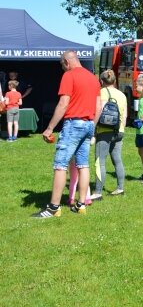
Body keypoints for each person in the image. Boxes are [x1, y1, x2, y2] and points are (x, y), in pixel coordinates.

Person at [33, 50, 101, 218]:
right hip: (89, 123)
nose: (62, 68)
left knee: (60, 165)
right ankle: (81, 204)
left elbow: (63, 104)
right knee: (83, 164)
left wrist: (49, 128)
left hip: (73, 124)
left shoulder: (69, 76)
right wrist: (92, 124)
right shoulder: (93, 78)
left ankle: (54, 207)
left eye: (62, 65)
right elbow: (99, 106)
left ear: (66, 62)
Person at [91, 70, 127, 199]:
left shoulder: (101, 93)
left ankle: (98, 192)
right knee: (117, 160)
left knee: (100, 161)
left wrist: (93, 128)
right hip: (119, 131)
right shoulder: (122, 95)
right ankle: (120, 188)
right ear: (115, 81)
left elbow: (98, 111)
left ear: (101, 81)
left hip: (104, 131)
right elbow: (125, 115)